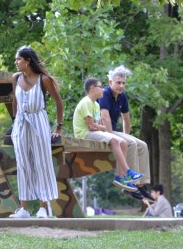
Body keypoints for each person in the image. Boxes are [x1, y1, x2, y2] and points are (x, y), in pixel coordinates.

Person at [8, 46, 64, 219]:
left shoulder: (44, 80)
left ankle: (43, 207)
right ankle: (24, 208)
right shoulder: (16, 78)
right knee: (23, 163)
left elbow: (58, 103)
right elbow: (15, 102)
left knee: (41, 162)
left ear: (28, 61)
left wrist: (58, 127)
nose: (16, 62)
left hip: (39, 121)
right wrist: (14, 123)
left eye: (18, 59)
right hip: (21, 123)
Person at [72, 77, 143, 193]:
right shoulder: (86, 102)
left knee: (123, 142)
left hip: (94, 132)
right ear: (92, 88)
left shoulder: (95, 104)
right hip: (84, 135)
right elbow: (91, 126)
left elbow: (97, 124)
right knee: (114, 141)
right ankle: (128, 171)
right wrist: (102, 127)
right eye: (100, 87)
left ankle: (121, 177)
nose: (103, 90)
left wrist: (100, 127)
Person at [97, 65, 152, 201]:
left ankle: (141, 184)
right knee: (130, 143)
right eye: (118, 82)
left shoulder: (122, 96)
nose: (121, 86)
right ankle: (129, 185)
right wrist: (112, 137)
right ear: (110, 82)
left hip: (113, 130)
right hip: (102, 130)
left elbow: (126, 119)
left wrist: (125, 135)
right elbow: (105, 117)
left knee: (143, 145)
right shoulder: (105, 94)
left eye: (123, 83)